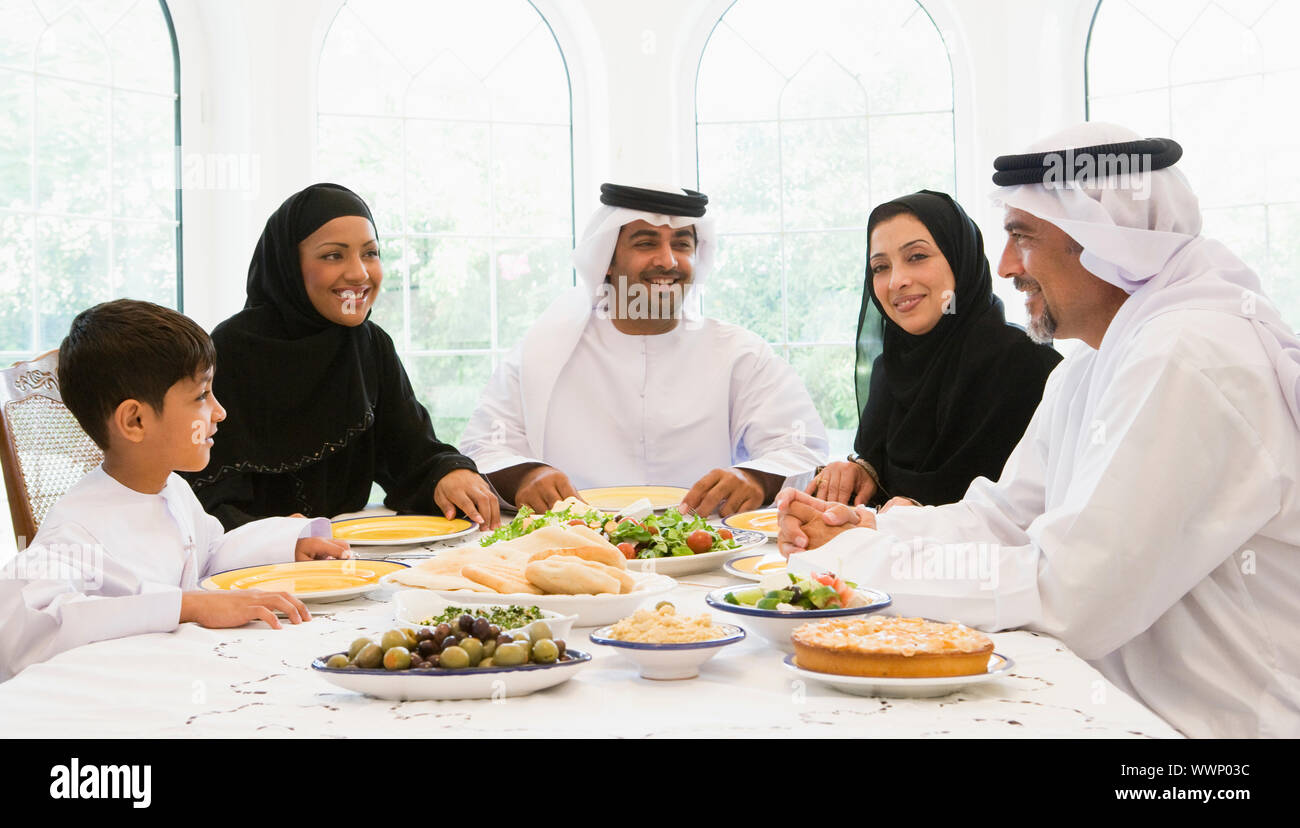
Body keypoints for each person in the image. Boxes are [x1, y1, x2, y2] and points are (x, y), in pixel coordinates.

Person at [776, 122, 1300, 738]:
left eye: (1021, 238)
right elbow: (1003, 518)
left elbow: (1070, 595)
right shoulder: (1092, 363)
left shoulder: (1187, 354)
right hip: (1109, 706)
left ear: (1108, 241)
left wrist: (860, 562)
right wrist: (867, 526)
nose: (1004, 267)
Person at [0, 300, 352, 682]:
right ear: (135, 420)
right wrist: (186, 606)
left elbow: (209, 553)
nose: (219, 413)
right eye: (201, 396)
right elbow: (26, 627)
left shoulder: (173, 489)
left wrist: (286, 543)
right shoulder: (75, 530)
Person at [459, 182, 829, 517]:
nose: (668, 260)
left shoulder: (741, 354)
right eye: (646, 242)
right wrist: (526, 476)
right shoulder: (541, 353)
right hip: (575, 552)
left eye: (682, 244)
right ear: (607, 261)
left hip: (708, 547)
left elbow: (799, 446)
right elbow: (482, 448)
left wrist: (755, 478)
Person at [185, 183, 499, 531]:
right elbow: (201, 495)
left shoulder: (368, 344)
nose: (359, 273)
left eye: (370, 253)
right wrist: (277, 536)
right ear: (289, 264)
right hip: (247, 568)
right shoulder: (231, 350)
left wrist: (448, 473)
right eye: (333, 255)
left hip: (345, 559)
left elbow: (411, 453)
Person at [809, 191, 1059, 509]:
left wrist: (917, 519)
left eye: (916, 257)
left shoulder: (1027, 365)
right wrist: (860, 472)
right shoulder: (891, 371)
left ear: (959, 258)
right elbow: (881, 485)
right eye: (880, 267)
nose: (896, 281)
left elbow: (1037, 516)